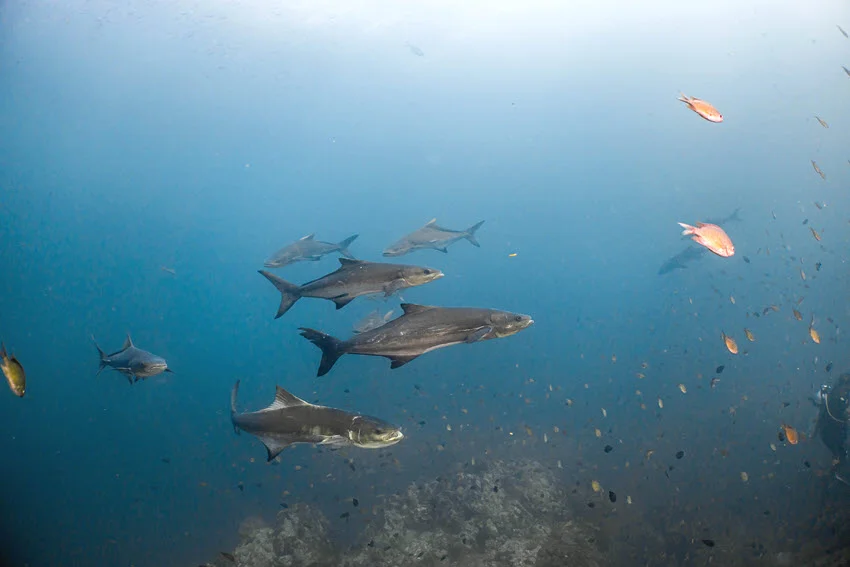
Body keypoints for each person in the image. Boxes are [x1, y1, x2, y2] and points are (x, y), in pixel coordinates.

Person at [812, 373, 850, 483]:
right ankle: (833, 474)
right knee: (839, 455)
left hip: (838, 434)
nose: (847, 392)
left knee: (840, 454)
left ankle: (835, 472)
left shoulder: (843, 398)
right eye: (846, 388)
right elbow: (835, 414)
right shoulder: (831, 398)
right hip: (829, 433)